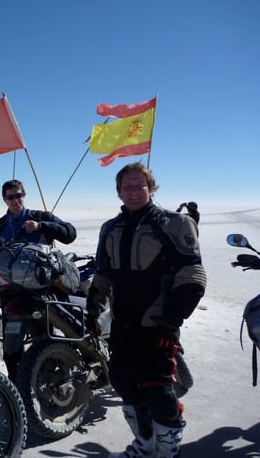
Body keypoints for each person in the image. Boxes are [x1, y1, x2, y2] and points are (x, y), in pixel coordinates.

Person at [85, 163, 206, 458]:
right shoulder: (110, 229)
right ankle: (146, 445)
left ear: (150, 188)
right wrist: (92, 308)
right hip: (122, 322)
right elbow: (103, 273)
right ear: (118, 191)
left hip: (157, 324)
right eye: (127, 186)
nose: (134, 191)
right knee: (125, 383)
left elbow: (192, 275)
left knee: (157, 389)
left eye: (140, 185)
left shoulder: (173, 223)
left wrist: (171, 321)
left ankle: (169, 451)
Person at [0, 179, 77, 382]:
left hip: (42, 289)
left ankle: (49, 381)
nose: (16, 200)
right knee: (11, 345)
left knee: (45, 336)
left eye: (19, 195)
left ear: (24, 195)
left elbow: (70, 233)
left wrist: (43, 226)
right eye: (11, 197)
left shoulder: (41, 217)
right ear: (4, 200)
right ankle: (15, 388)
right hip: (12, 292)